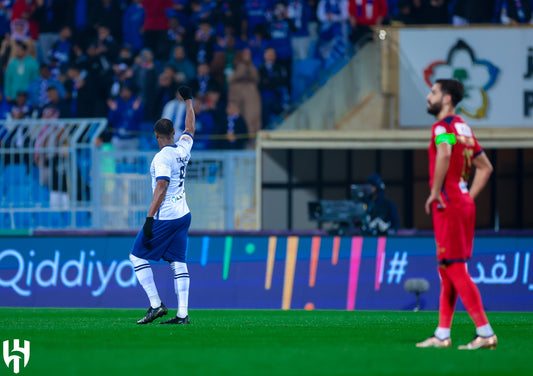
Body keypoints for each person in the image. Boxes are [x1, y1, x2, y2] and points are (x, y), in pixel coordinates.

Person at [416, 79, 497, 350]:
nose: (429, 97)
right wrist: (467, 197)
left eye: (434, 92)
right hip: (461, 202)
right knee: (447, 268)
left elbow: (444, 153)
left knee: (453, 267)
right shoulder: (462, 128)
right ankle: (442, 334)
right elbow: (485, 167)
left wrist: (436, 191)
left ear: (447, 98)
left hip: (449, 203)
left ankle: (484, 332)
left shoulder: (443, 127)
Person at [130, 85, 195, 325]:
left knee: (136, 257)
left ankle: (156, 305)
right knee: (178, 262)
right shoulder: (182, 148)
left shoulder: (162, 157)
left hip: (166, 216)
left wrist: (149, 218)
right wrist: (188, 102)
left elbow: (161, 187)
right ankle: (182, 315)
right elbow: (191, 128)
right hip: (184, 214)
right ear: (174, 133)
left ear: (156, 136)